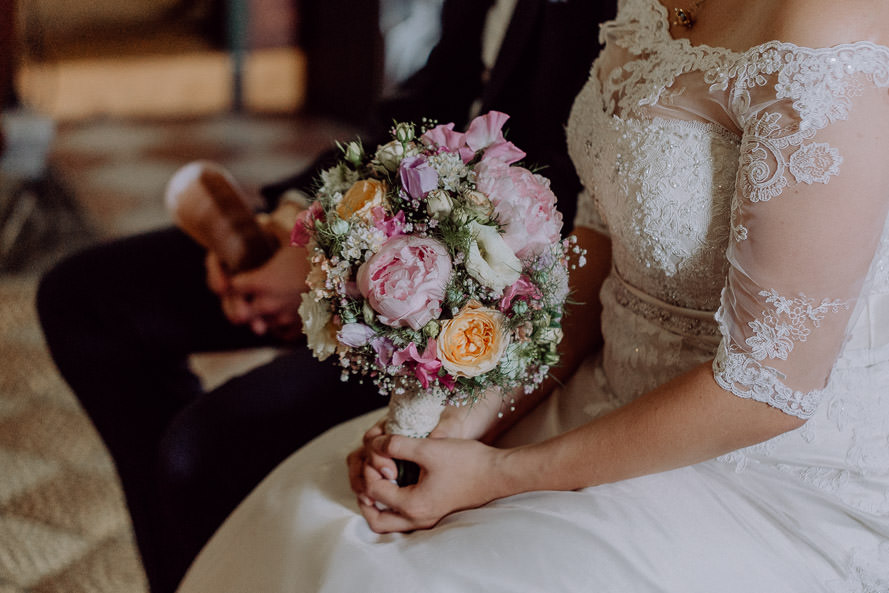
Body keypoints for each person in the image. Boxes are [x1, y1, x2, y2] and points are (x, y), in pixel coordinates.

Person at [173, 0, 889, 591]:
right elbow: (596, 251)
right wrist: (465, 420)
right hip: (600, 390)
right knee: (316, 516)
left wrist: (499, 474)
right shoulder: (651, 7)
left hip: (753, 469)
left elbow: (766, 388)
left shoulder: (825, 32)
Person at [35, 1, 615, 592]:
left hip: (484, 304)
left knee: (204, 450)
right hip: (384, 230)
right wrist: (294, 220)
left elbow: (579, 202)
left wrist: (338, 272)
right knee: (85, 299)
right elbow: (431, 98)